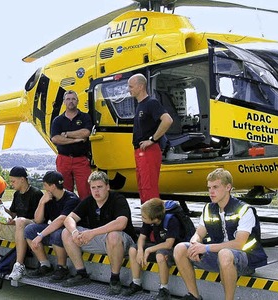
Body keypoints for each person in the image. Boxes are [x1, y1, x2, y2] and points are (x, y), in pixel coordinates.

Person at [173, 168, 267, 300]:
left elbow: (239, 244)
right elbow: (199, 234)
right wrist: (195, 244)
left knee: (225, 253)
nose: (211, 191)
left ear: (228, 187)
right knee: (180, 248)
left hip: (245, 260)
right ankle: (194, 296)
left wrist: (205, 248)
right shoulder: (209, 208)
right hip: (218, 257)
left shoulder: (245, 210)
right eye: (209, 187)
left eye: (215, 187)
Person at [61, 171, 136, 294]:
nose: (96, 191)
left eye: (100, 187)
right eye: (93, 188)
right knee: (66, 232)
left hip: (123, 242)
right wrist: (74, 232)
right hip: (100, 240)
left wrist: (92, 233)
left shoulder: (118, 199)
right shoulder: (89, 200)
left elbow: (121, 223)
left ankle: (115, 279)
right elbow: (69, 218)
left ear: (107, 187)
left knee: (113, 236)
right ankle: (81, 274)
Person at [0, 166, 42, 281]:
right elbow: (13, 214)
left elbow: (39, 219)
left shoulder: (36, 193)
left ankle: (19, 265)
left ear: (22, 179)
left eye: (13, 181)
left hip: (29, 229)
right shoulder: (16, 194)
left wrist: (16, 221)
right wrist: (1, 208)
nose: (11, 184)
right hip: (16, 226)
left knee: (20, 221)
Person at [24, 171, 79, 282]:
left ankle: (62, 267)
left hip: (69, 234)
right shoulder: (49, 198)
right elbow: (38, 220)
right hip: (55, 231)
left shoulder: (71, 199)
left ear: (53, 186)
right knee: (30, 229)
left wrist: (41, 235)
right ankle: (45, 265)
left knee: (57, 233)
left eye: (45, 185)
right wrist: (41, 203)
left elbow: (61, 221)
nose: (44, 188)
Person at [123, 198, 183, 299]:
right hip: (159, 246)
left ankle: (164, 289)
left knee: (160, 255)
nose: (142, 219)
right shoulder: (149, 220)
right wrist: (141, 250)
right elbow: (142, 237)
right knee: (133, 249)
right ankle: (136, 283)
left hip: (173, 250)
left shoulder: (171, 220)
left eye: (144, 217)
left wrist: (149, 250)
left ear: (155, 219)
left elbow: (169, 244)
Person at [128, 73, 173, 203]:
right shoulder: (139, 105)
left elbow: (167, 120)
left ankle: (154, 220)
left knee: (149, 187)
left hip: (149, 150)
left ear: (141, 86)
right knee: (142, 186)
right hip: (140, 151)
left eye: (131, 86)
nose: (129, 89)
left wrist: (152, 139)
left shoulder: (151, 103)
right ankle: (147, 217)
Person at [50, 90, 92, 200]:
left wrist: (67, 134)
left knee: (85, 191)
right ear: (64, 102)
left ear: (77, 101)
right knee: (64, 191)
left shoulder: (85, 117)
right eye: (68, 99)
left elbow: (86, 133)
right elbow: (55, 138)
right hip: (64, 159)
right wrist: (74, 140)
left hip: (81, 160)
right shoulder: (58, 120)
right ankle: (66, 215)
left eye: (73, 99)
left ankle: (86, 216)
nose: (71, 101)